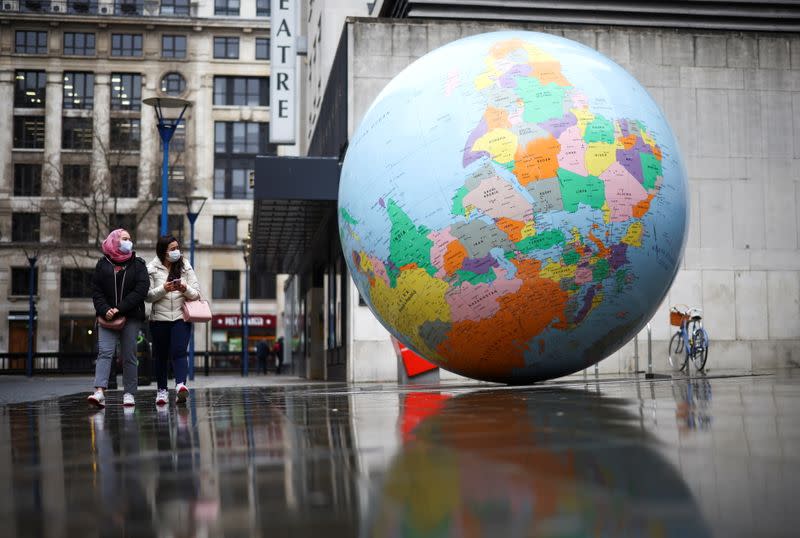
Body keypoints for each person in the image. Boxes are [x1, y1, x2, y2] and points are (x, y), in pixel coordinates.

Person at [88, 229, 149, 408]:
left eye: (130, 239)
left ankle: (129, 393)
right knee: (105, 353)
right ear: (114, 241)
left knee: (129, 354)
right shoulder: (102, 264)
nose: (128, 242)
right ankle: (99, 391)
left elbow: (141, 290)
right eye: (124, 239)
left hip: (130, 317)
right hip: (106, 317)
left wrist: (119, 309)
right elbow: (96, 291)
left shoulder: (138, 264)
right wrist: (105, 310)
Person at [146, 235, 201, 406]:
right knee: (161, 355)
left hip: (180, 317)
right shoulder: (151, 268)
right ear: (163, 251)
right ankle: (161, 391)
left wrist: (184, 288)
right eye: (172, 248)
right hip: (158, 319)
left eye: (177, 247)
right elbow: (147, 296)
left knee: (179, 351)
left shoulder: (185, 266)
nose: (176, 251)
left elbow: (197, 294)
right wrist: (164, 289)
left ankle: (180, 386)